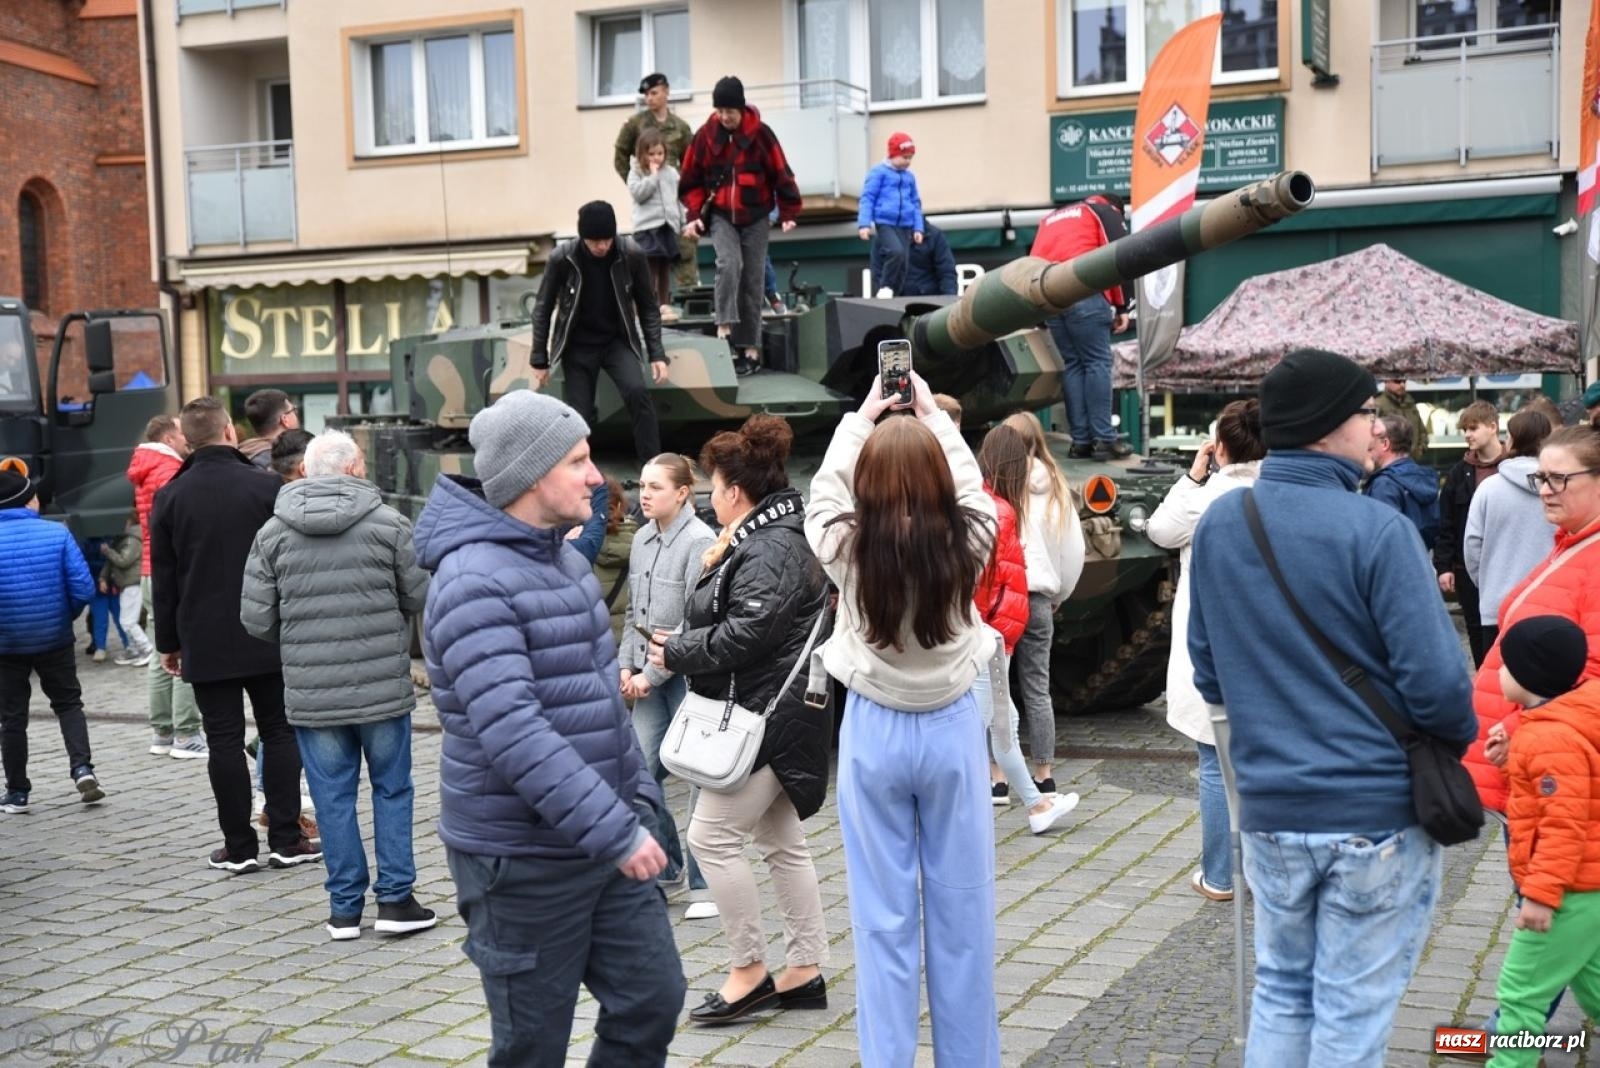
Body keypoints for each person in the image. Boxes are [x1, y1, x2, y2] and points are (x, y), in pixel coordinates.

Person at [1187, 348, 1476, 1066]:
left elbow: (1206, 669)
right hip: (1373, 812)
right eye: (1367, 412)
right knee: (1351, 1013)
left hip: (1272, 811)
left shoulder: (1222, 523)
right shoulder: (1375, 530)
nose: (1375, 428)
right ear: (1328, 427)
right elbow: (1442, 688)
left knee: (1282, 995)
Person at [414, 389, 685, 1067]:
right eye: (579, 460)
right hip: (521, 860)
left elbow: (598, 703)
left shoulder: (562, 562)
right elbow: (515, 733)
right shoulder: (472, 581)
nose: (597, 477)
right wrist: (619, 830)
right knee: (533, 1046)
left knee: (652, 999)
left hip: (604, 841)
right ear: (532, 476)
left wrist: (642, 806)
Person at [806, 373, 1001, 1065]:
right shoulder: (968, 538)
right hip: (950, 723)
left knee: (881, 918)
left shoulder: (846, 546)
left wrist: (861, 419)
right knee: (965, 915)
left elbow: (824, 494)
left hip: (873, 728)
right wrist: (933, 420)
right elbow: (976, 491)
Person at [649, 416, 832, 1022]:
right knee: (781, 840)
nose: (708, 496)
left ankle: (750, 971)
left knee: (711, 837)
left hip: (763, 714)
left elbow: (751, 632)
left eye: (712, 485)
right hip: (775, 711)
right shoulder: (769, 535)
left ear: (734, 491)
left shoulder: (771, 543)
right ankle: (804, 970)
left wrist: (677, 650)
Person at [241, 430, 435, 942]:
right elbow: (418, 595)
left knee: (331, 798)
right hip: (380, 687)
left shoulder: (273, 534)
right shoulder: (390, 524)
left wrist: (302, 635)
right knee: (392, 789)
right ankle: (395, 901)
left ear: (305, 471)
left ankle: (344, 909)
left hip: (312, 690)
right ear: (354, 469)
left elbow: (256, 619)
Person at [151, 397, 317, 874]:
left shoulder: (170, 497)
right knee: (279, 733)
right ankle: (287, 838)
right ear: (228, 431)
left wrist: (169, 644)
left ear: (186, 440)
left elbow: (166, 579)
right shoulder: (266, 487)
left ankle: (239, 847)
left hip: (203, 637)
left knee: (223, 741)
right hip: (266, 631)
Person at [1145, 399, 1265, 903]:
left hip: (1213, 652)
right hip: (1270, 653)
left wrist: (1194, 477)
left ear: (1218, 448)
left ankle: (1219, 875)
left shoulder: (1206, 497)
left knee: (1216, 764)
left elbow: (1158, 530)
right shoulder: (1284, 493)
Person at [1479, 615, 1600, 1068]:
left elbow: (1562, 825)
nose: (1498, 673)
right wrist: (1512, 763)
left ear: (1527, 677)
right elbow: (1562, 796)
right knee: (1595, 988)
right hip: (1588, 891)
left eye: (1504, 666)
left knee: (1521, 996)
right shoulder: (1562, 720)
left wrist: (1541, 896)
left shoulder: (1549, 736)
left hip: (1565, 894)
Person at [1465, 415, 1600, 818]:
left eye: (1558, 479)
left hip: (1549, 764)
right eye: (1540, 478)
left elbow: (1591, 675)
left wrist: (1517, 729)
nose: (1544, 491)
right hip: (1529, 759)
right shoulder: (1570, 545)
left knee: (1543, 878)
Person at [616, 455, 715, 910]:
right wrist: (626, 666)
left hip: (688, 676)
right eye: (642, 485)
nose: (644, 494)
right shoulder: (640, 538)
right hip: (647, 676)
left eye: (656, 487)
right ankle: (667, 867)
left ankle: (704, 886)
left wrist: (648, 676)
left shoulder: (700, 541)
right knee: (639, 773)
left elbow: (694, 626)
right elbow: (636, 611)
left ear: (682, 493)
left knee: (698, 778)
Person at [974, 424, 1079, 834]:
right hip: (992, 633)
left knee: (1003, 719)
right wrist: (992, 627)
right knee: (993, 718)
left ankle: (1036, 805)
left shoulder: (990, 505)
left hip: (995, 630)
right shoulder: (1000, 511)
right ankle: (1034, 798)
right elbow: (989, 581)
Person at [679, 76, 802, 378]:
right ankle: (724, 328)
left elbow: (782, 174)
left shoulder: (761, 135)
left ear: (741, 108)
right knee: (728, 264)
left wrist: (788, 211)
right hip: (721, 214)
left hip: (756, 214)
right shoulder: (706, 136)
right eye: (720, 111)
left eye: (729, 111)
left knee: (753, 276)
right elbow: (690, 180)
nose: (724, 117)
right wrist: (694, 213)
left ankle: (750, 346)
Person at [528, 201, 668, 465]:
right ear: (583, 238)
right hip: (578, 346)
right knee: (578, 415)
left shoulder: (632, 254)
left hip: (617, 340)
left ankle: (653, 465)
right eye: (595, 241)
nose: (602, 246)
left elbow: (649, 308)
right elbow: (542, 308)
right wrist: (539, 358)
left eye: (606, 240)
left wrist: (657, 354)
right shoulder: (562, 258)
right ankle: (580, 472)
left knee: (638, 392)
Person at [0, 467, 104, 814]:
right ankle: (82, 769)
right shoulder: (56, 534)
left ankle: (17, 791)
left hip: (7, 644)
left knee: (12, 717)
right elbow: (84, 589)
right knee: (68, 704)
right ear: (27, 501)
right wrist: (64, 618)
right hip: (54, 638)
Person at [1002, 410, 1086, 796]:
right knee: (1037, 687)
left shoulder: (996, 483)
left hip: (1001, 597)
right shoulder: (1056, 487)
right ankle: (1044, 774)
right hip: (1038, 596)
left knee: (995, 687)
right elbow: (1073, 551)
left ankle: (998, 777)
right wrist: (1059, 594)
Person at [1030, 192, 1131, 460]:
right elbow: (1119, 258)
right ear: (1116, 209)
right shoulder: (1102, 212)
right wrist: (1123, 306)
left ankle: (1081, 441)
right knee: (1097, 362)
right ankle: (1104, 440)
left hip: (1052, 298)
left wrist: (1039, 312)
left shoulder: (1048, 219)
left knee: (1074, 364)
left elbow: (1033, 263)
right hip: (1084, 292)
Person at [127, 415, 206, 758]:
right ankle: (187, 733)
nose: (187, 439)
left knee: (161, 650)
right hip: (169, 570)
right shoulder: (168, 470)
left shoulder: (146, 468)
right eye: (182, 433)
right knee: (186, 647)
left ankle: (162, 730)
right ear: (170, 437)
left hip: (148, 568)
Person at [1464, 409, 1556, 653]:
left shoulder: (1488, 488)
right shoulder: (1560, 488)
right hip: (1552, 606)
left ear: (1511, 439)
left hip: (1498, 604)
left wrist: (1487, 581)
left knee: (1497, 685)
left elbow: (1472, 546)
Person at [613, 71, 699, 293]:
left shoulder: (680, 126)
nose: (649, 98)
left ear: (666, 92)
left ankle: (686, 300)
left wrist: (686, 194)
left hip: (674, 200)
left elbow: (691, 163)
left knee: (685, 251)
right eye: (646, 95)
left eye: (653, 93)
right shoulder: (635, 124)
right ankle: (653, 309)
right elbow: (620, 155)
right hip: (649, 211)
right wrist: (639, 184)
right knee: (650, 264)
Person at [1435, 401, 1505, 667]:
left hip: (1506, 563)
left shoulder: (1513, 466)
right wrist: (1444, 566)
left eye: (1473, 428)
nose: (1467, 434)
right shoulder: (1459, 473)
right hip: (1467, 568)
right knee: (1476, 630)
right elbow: (1447, 523)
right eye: (1465, 429)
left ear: (1493, 427)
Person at [856, 132, 924, 298]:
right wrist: (864, 224)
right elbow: (868, 198)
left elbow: (915, 203)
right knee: (895, 252)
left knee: (904, 263)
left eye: (910, 158)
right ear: (892, 155)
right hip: (885, 221)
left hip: (906, 224)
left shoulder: (909, 177)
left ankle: (896, 293)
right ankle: (885, 286)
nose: (907, 162)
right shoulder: (878, 173)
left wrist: (918, 228)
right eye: (904, 157)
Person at [627, 129, 686, 321]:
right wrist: (652, 177)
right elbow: (638, 194)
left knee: (664, 267)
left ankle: (663, 304)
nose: (656, 158)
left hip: (667, 226)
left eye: (659, 153)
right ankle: (645, 305)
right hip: (647, 228)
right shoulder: (636, 173)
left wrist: (682, 222)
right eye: (651, 154)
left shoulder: (671, 173)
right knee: (648, 268)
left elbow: (679, 198)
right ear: (641, 154)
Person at [1365, 414, 1440, 550]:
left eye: (1373, 438)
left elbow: (1384, 540)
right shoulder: (1425, 478)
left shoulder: (1384, 485)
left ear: (1385, 444)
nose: (1368, 443)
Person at [99, 514, 154, 667]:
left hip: (132, 583)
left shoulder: (132, 538)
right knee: (127, 621)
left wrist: (107, 551)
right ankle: (135, 649)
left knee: (128, 621)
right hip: (127, 584)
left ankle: (146, 648)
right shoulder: (124, 538)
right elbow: (113, 562)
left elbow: (123, 561)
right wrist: (103, 577)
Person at [592, 474, 638, 650]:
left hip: (597, 650)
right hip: (631, 652)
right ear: (620, 505)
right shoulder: (645, 544)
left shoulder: (575, 550)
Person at [81, 535, 129, 662]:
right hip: (99, 584)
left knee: (118, 618)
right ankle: (101, 647)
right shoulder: (88, 541)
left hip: (111, 584)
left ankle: (127, 645)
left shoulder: (111, 538)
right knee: (101, 619)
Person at [238, 389, 299, 469]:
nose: (296, 414)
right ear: (285, 419)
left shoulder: (241, 455)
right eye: (293, 410)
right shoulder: (284, 465)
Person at [1374, 378, 1429, 461]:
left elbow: (1422, 431)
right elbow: (1373, 435)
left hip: (1412, 460)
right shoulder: (1379, 405)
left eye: (1404, 382)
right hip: (1389, 461)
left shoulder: (1410, 404)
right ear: (1386, 382)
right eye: (1398, 382)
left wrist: (1419, 451)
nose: (1402, 385)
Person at [902, 221, 958, 298]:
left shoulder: (934, 235)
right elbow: (879, 272)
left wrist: (949, 301)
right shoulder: (886, 236)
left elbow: (947, 272)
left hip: (929, 300)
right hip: (894, 301)